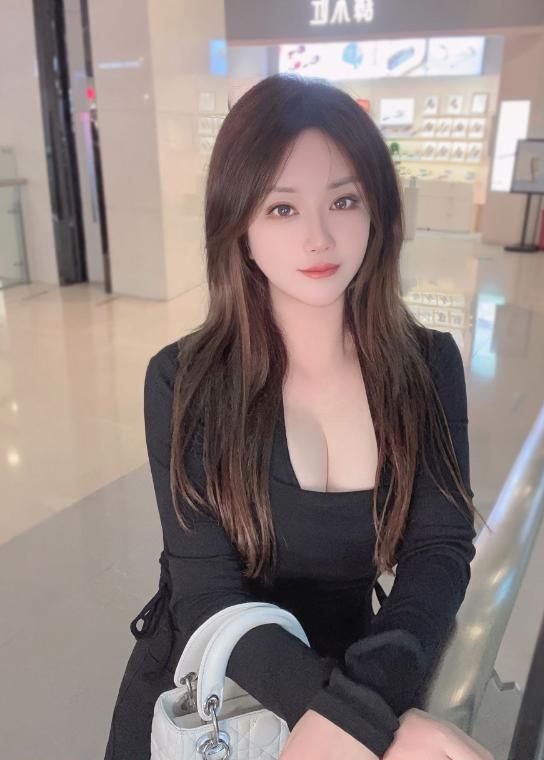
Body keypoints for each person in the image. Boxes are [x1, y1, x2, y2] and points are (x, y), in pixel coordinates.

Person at [103, 73, 493, 760]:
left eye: (343, 200)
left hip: (358, 671)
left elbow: (439, 548)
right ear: (240, 227)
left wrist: (367, 698)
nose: (318, 237)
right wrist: (365, 721)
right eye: (282, 208)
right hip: (216, 696)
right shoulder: (184, 379)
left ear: (377, 210)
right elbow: (206, 591)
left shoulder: (427, 364)